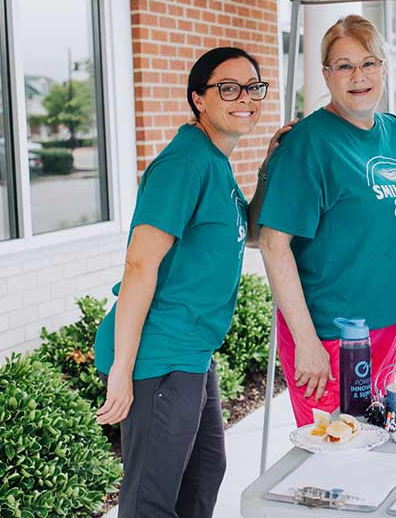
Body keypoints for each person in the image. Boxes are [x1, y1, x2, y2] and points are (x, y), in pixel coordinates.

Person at [92, 47, 290, 518]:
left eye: (253, 87)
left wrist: (267, 168)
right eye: (228, 88)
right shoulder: (183, 165)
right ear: (199, 99)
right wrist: (123, 369)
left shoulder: (214, 161)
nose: (245, 97)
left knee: (204, 472)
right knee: (150, 499)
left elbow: (253, 233)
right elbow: (140, 265)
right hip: (157, 354)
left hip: (192, 352)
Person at [254, 15, 396, 426]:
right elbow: (272, 243)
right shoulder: (308, 142)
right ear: (326, 74)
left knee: (378, 444)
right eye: (344, 65)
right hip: (331, 338)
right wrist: (307, 343)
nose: (358, 76)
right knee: (335, 457)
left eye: (369, 63)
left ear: (385, 68)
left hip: (387, 325)